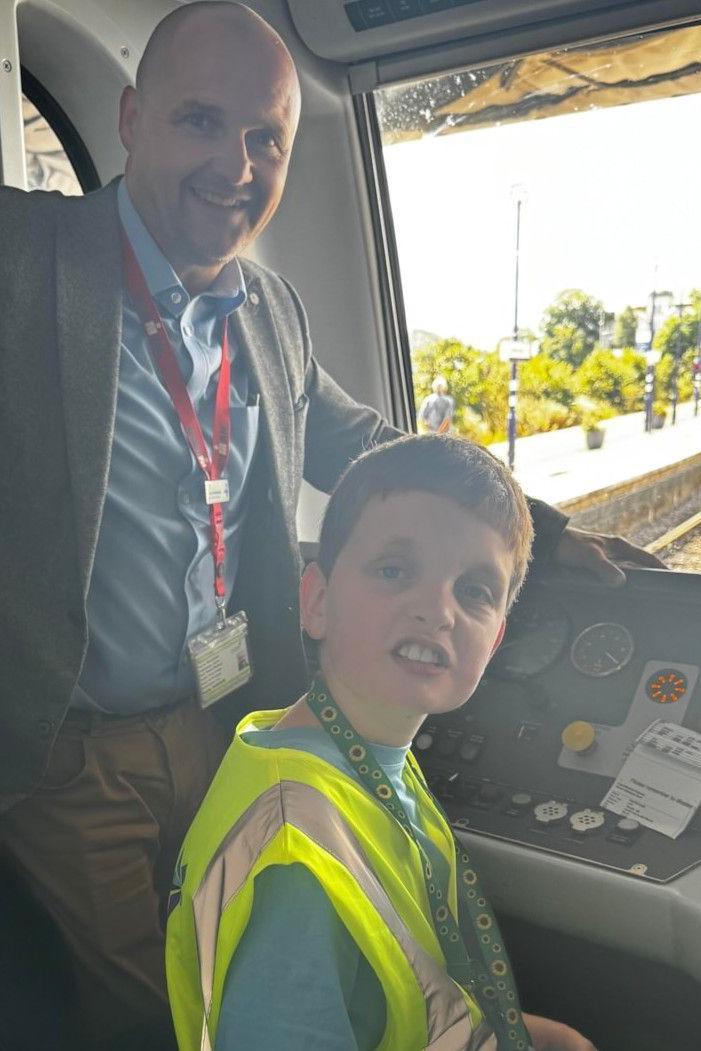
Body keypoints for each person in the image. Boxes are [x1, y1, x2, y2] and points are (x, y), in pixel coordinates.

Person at [0, 2, 661, 1047]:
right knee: (155, 1012)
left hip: (221, 718)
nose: (236, 164)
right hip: (76, 753)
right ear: (127, 119)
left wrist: (532, 527)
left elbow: (359, 438)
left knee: (248, 946)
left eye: (266, 137)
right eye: (201, 123)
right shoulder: (25, 258)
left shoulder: (270, 309)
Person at [166, 435, 596, 1051]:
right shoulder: (296, 862)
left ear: (495, 640)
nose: (436, 610)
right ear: (315, 601)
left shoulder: (363, 752)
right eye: (394, 571)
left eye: (474, 590)